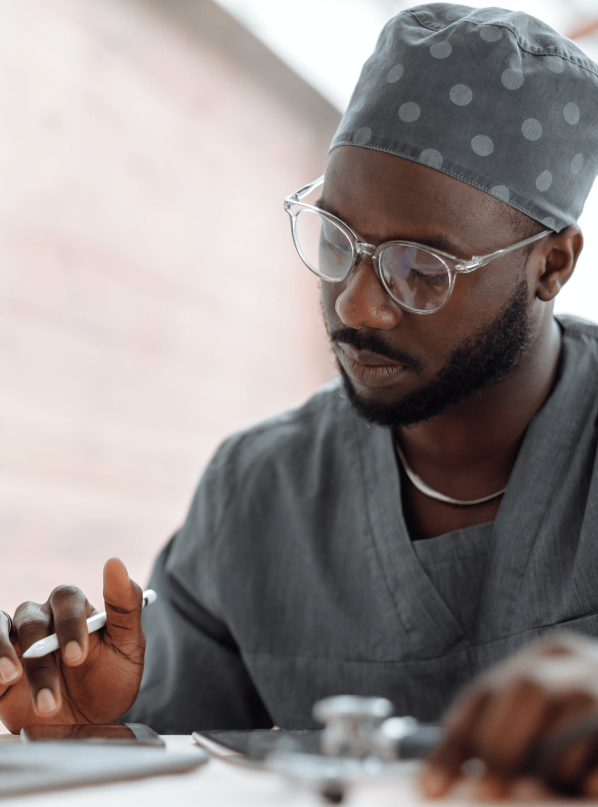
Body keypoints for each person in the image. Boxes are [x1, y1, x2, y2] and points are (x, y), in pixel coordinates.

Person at [2, 1, 598, 795]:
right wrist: (97, 725)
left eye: (422, 271)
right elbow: (174, 748)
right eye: (337, 241)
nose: (357, 305)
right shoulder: (260, 494)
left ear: (551, 266)